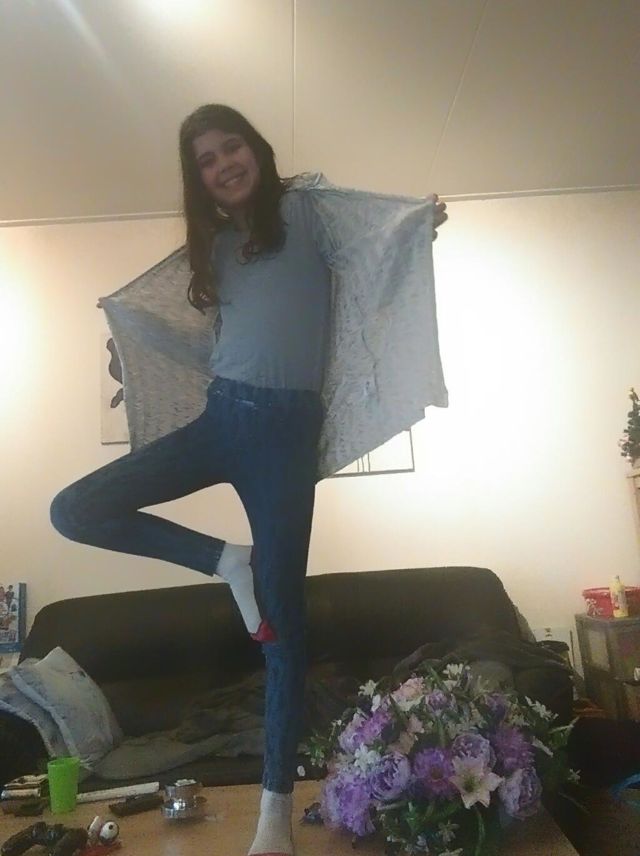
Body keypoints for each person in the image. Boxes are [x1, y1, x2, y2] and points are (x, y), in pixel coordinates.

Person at [50, 104, 448, 856]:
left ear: (256, 150)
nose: (223, 164)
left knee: (284, 630)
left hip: (285, 441)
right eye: (206, 159)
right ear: (197, 179)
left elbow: (371, 239)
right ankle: (225, 560)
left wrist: (416, 222)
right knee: (74, 509)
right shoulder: (213, 251)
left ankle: (272, 820)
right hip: (221, 417)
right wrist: (126, 345)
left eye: (231, 147)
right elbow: (197, 339)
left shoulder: (306, 210)